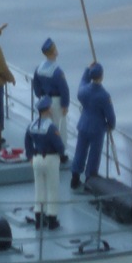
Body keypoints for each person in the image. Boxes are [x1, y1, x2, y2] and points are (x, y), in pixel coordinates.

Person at [70, 62, 116, 189]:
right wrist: (111, 125)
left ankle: (75, 177)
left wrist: (87, 70)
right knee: (94, 154)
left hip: (83, 124)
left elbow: (83, 82)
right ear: (102, 76)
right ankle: (90, 178)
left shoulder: (83, 91)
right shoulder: (104, 95)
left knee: (80, 151)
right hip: (97, 128)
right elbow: (110, 115)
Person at [24, 96, 65, 230]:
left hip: (36, 159)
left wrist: (30, 156)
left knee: (39, 188)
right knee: (52, 189)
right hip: (50, 158)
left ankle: (39, 218)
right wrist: (61, 154)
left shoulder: (32, 125)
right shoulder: (51, 127)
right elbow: (59, 145)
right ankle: (52, 219)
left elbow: (27, 141)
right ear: (47, 110)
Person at [32, 38, 70, 164]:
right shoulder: (57, 71)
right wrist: (65, 104)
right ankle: (61, 152)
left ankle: (46, 148)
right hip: (56, 101)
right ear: (54, 52)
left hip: (45, 100)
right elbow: (64, 89)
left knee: (45, 126)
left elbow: (36, 85)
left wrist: (41, 97)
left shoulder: (39, 68)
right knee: (59, 127)